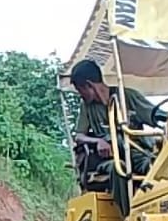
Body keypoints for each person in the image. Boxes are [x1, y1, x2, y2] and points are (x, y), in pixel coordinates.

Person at [67, 59, 162, 211]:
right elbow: (79, 136)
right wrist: (98, 141)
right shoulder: (87, 107)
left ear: (89, 85)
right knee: (118, 169)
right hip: (108, 159)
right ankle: (129, 216)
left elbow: (157, 116)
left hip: (135, 152)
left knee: (156, 166)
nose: (81, 95)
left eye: (80, 90)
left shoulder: (128, 97)